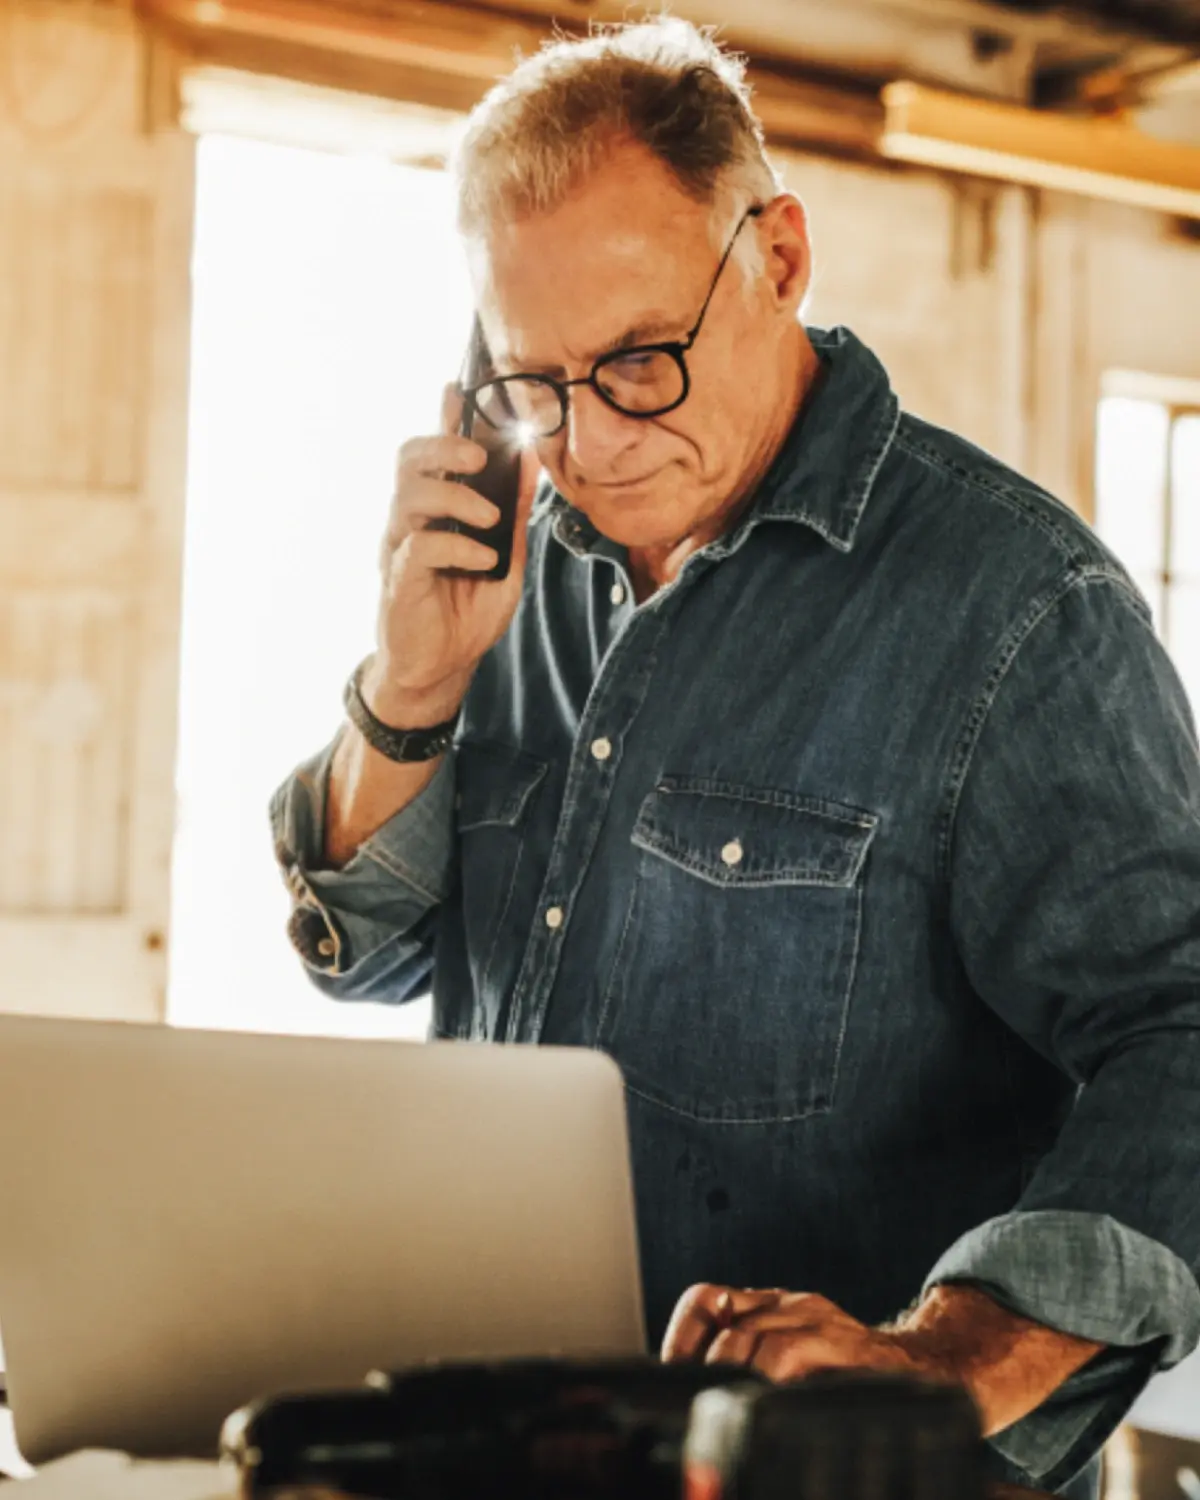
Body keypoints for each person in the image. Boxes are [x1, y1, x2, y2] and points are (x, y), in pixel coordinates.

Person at [271, 18, 1200, 1493]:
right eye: (534, 382)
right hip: (518, 1449)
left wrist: (939, 1366)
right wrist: (412, 685)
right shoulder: (505, 562)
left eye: (640, 360)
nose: (591, 442)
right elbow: (359, 954)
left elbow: (1178, 1039)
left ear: (778, 256)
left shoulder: (1021, 613)